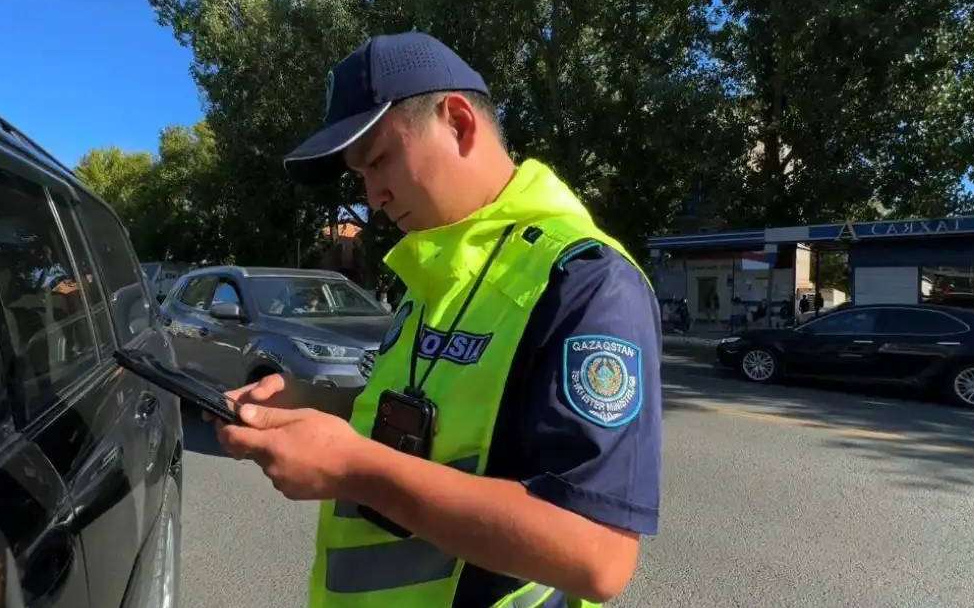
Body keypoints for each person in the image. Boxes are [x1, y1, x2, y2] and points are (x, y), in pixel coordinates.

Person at [212, 32, 661, 607]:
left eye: (378, 160)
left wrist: (354, 470)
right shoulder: (435, 268)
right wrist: (311, 405)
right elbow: (431, 418)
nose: (371, 195)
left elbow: (599, 556)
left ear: (458, 122)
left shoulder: (585, 281)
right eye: (360, 174)